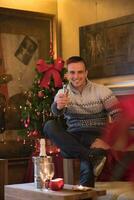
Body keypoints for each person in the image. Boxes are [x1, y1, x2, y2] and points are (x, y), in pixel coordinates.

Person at [43, 56, 121, 187]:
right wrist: (58, 106)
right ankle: (91, 157)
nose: (76, 76)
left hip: (96, 137)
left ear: (86, 73)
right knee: (49, 125)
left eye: (80, 72)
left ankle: (87, 158)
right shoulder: (62, 92)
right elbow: (55, 111)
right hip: (74, 137)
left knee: (85, 163)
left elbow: (120, 117)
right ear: (67, 75)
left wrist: (108, 141)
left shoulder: (102, 91)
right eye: (72, 72)